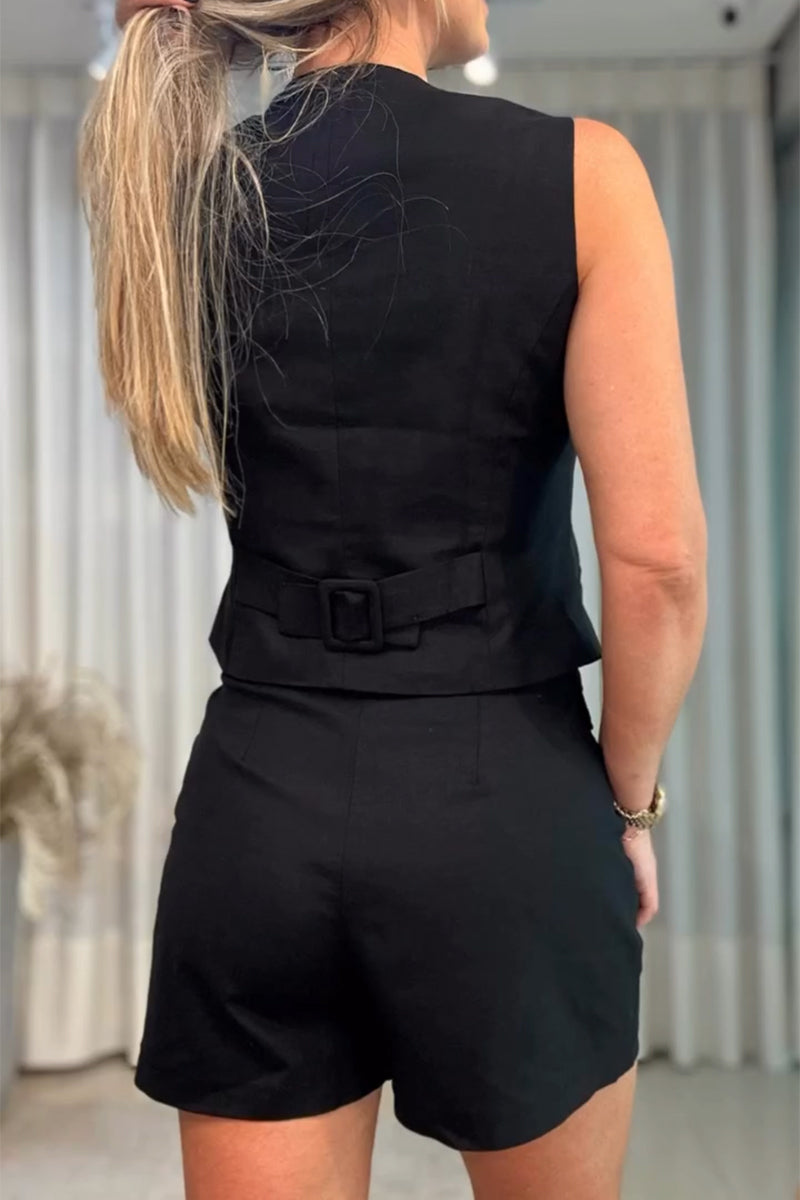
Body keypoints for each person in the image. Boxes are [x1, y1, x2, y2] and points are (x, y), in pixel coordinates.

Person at [79, 1, 708, 1197]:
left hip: (259, 803)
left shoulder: (193, 191)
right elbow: (659, 564)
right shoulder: (586, 176)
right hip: (504, 801)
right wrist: (628, 807)